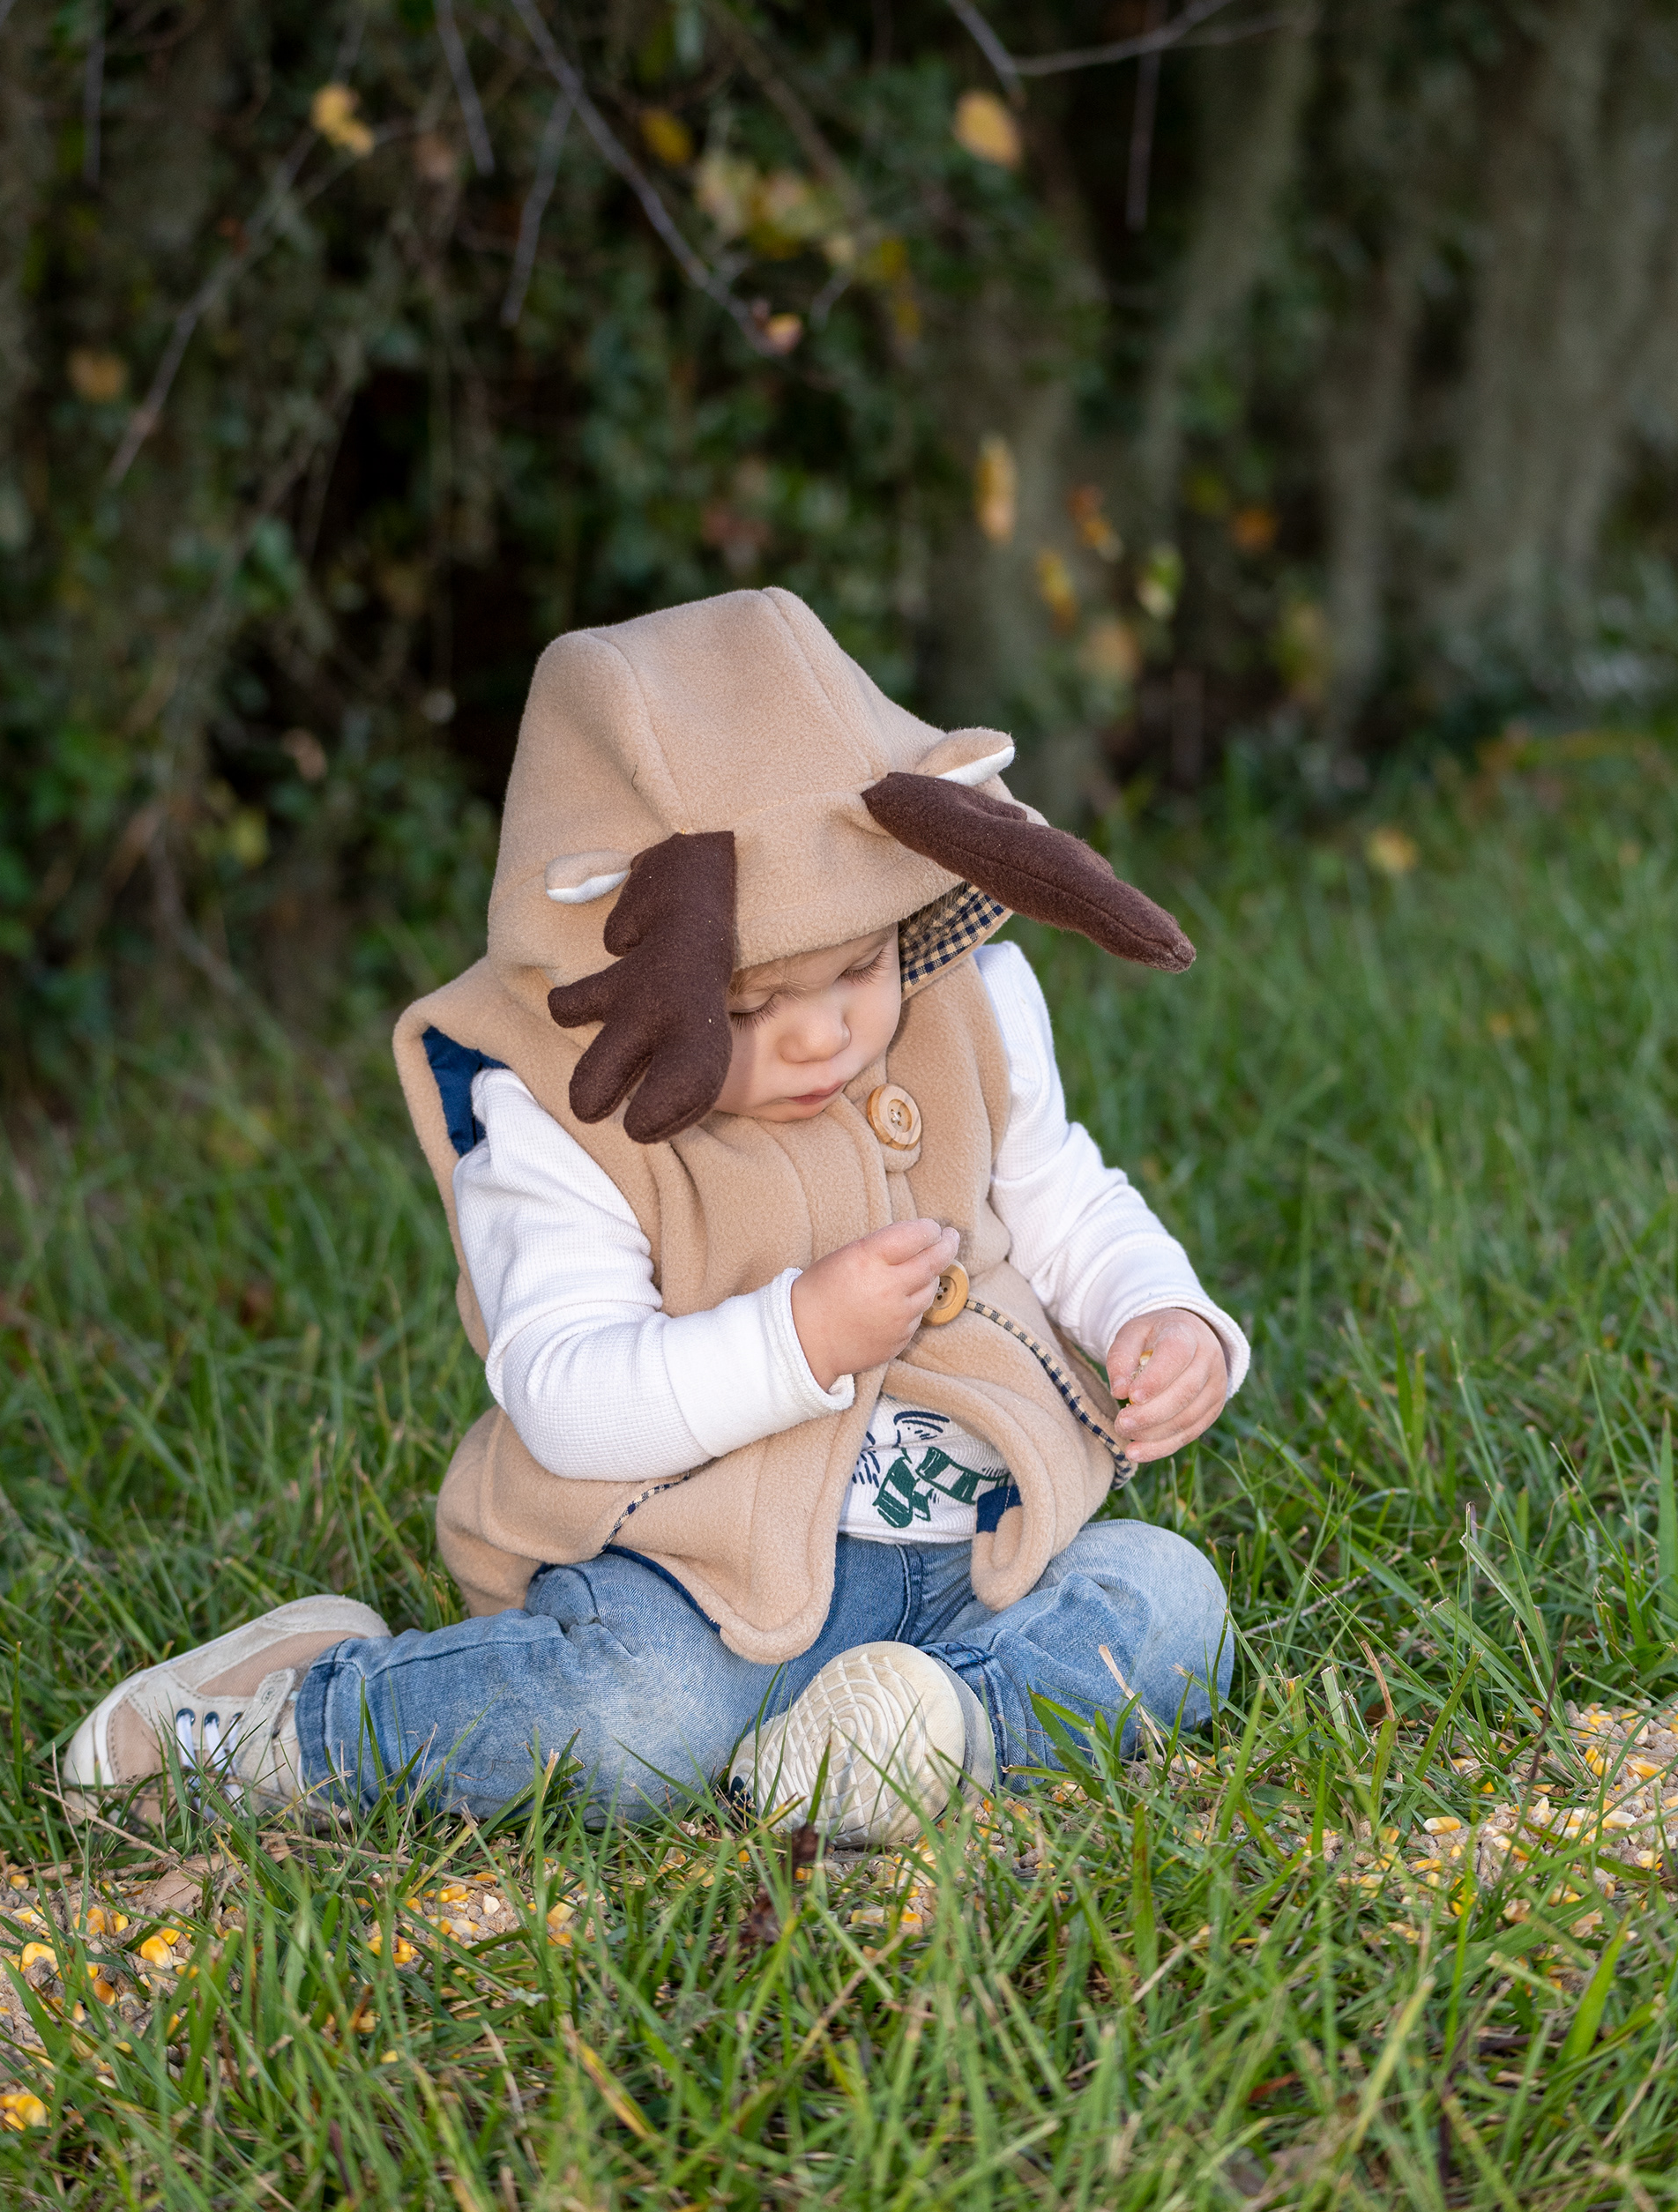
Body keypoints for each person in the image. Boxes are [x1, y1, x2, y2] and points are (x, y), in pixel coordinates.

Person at [63, 589, 1249, 1847]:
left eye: (856, 967)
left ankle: (922, 1727)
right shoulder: (556, 1111)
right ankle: (293, 1726)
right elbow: (563, 1391)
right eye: (743, 1009)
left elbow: (1064, 1195)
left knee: (1169, 1602)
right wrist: (796, 1340)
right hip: (691, 1586)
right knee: (638, 1723)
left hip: (975, 1567)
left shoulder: (967, 998)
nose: (820, 1034)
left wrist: (1158, 1311)